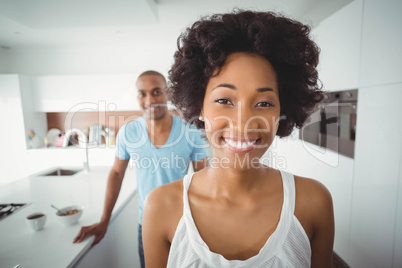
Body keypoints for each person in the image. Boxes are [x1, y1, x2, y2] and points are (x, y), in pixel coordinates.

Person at [143, 11, 335, 268]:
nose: (243, 122)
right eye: (224, 100)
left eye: (264, 103)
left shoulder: (314, 203)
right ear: (200, 106)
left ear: (282, 110)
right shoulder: (161, 206)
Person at [73, 70, 209, 268]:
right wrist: (104, 220)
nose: (149, 100)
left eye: (156, 92)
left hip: (183, 224)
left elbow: (202, 179)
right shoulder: (129, 132)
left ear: (168, 93)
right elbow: (117, 173)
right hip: (146, 224)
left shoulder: (190, 131)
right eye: (142, 93)